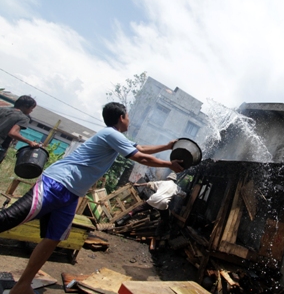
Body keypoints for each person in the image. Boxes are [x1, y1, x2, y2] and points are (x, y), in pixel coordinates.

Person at [0, 102, 184, 294]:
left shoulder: (116, 137)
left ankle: (23, 285)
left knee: (53, 239)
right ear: (121, 117)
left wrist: (168, 146)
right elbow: (140, 157)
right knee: (10, 218)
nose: (129, 119)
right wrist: (169, 164)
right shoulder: (110, 134)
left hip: (72, 194)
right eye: (128, 116)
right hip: (58, 182)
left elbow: (142, 148)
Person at [115, 171, 186, 236]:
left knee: (137, 209)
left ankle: (121, 220)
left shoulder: (162, 182)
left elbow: (149, 184)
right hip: (163, 203)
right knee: (165, 218)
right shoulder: (176, 187)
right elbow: (183, 194)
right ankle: (158, 232)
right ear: (174, 180)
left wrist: (138, 184)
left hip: (154, 199)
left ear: (168, 178)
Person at [0, 95, 40, 163]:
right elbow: (12, 133)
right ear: (26, 106)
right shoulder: (23, 117)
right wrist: (29, 142)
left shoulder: (1, 109)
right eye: (31, 108)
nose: (31, 110)